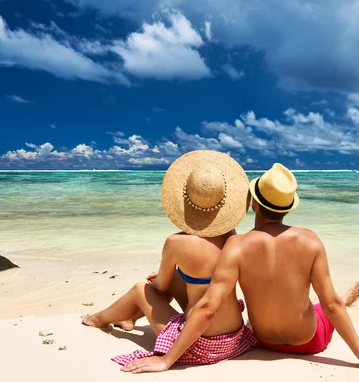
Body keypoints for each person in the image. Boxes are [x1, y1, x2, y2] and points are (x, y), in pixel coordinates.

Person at [121, 163, 359, 374]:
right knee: (326, 305)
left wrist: (167, 360)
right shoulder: (310, 241)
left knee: (312, 302)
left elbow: (209, 306)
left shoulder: (237, 246)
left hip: (261, 340)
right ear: (289, 207)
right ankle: (348, 299)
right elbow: (332, 304)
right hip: (310, 342)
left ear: (253, 205)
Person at [82, 150, 257, 367]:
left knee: (141, 288)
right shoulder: (231, 235)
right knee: (180, 278)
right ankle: (129, 319)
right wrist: (176, 277)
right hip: (235, 338)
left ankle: (98, 319)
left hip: (202, 344)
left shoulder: (177, 243)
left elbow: (160, 287)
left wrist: (159, 281)